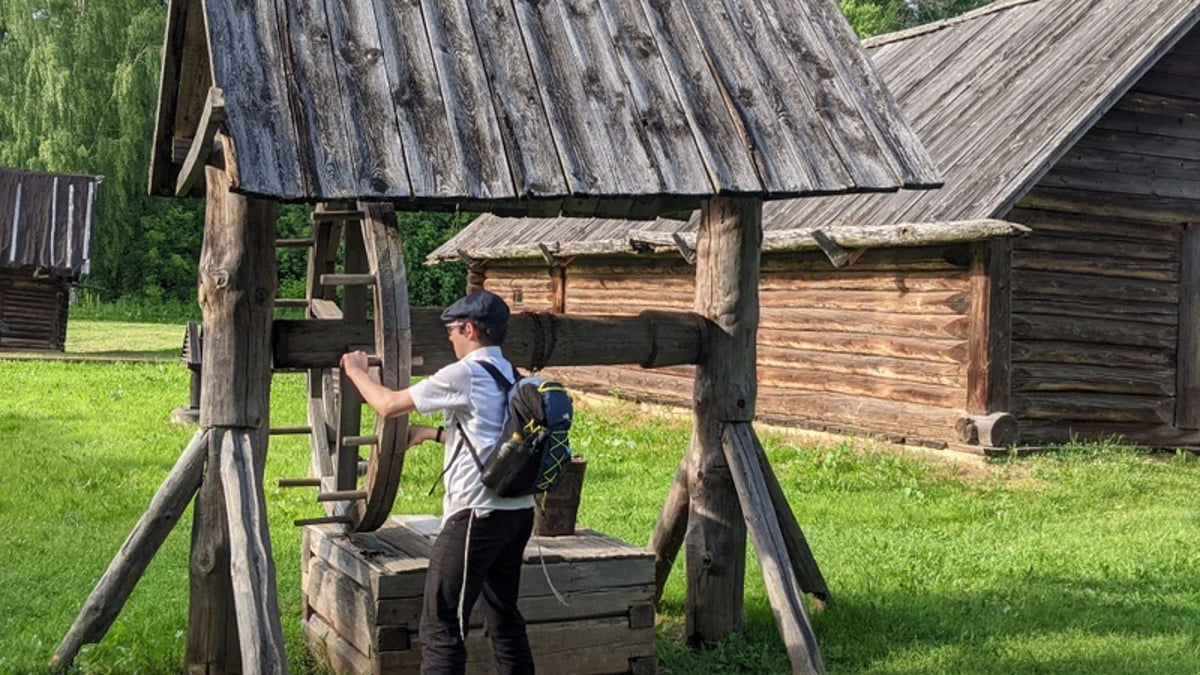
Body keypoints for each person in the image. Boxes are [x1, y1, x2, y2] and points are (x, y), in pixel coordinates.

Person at [340, 290, 536, 675]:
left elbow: (388, 404)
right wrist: (431, 434)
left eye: (452, 330)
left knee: (441, 625)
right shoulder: (512, 375)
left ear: (469, 328)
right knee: (503, 618)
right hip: (517, 514)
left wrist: (356, 371)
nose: (449, 338)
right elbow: (494, 441)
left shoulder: (465, 372)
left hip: (476, 518)